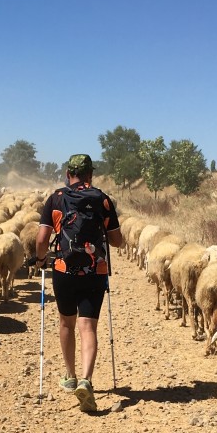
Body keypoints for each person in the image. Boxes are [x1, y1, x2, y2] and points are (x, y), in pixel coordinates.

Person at [35, 154, 123, 413]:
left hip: (63, 269)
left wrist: (41, 260)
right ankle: (86, 379)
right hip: (95, 270)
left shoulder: (56, 198)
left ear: (67, 173)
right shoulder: (102, 199)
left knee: (66, 322)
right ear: (90, 175)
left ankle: (70, 376)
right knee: (88, 326)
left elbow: (42, 238)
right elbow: (117, 241)